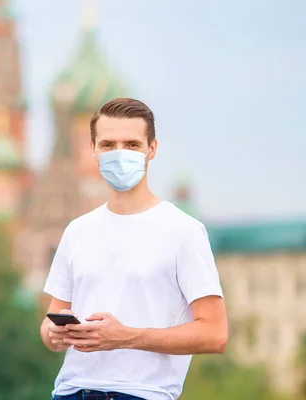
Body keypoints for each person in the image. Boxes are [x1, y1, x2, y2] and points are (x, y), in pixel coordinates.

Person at [40, 98, 228, 400]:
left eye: (131, 144)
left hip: (142, 394)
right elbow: (50, 321)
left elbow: (215, 334)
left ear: (151, 149)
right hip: (71, 391)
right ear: (93, 149)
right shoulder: (77, 230)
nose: (119, 154)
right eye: (108, 144)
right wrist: (55, 334)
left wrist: (126, 337)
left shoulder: (183, 231)